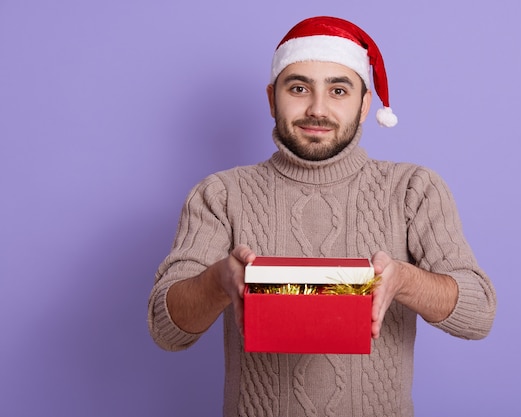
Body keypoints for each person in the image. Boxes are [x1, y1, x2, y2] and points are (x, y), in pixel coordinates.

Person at [148, 15, 496, 417]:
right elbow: (165, 329)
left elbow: (478, 314)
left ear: (365, 104)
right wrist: (218, 280)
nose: (317, 108)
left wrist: (403, 280)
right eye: (299, 88)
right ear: (271, 98)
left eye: (338, 90)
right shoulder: (221, 194)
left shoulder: (413, 188)